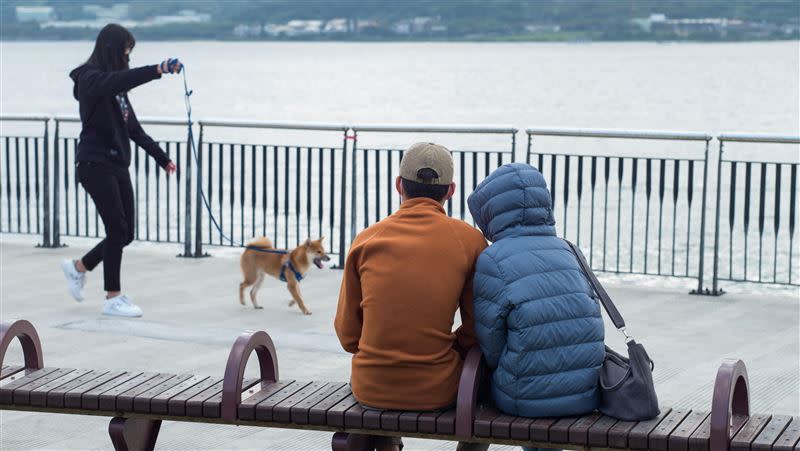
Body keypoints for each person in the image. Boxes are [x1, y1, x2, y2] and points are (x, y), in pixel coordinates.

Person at [335, 142, 488, 451]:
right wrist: (453, 346)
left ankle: (389, 444)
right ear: (451, 190)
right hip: (438, 389)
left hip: (371, 387)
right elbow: (478, 331)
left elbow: (348, 336)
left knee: (379, 383)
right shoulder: (470, 241)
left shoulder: (366, 240)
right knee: (485, 388)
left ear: (398, 185)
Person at [467, 163, 606, 451]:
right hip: (586, 392)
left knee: (487, 387)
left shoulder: (493, 259)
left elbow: (491, 343)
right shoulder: (570, 250)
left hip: (524, 396)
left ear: (491, 213)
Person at [60, 24, 182, 317]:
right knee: (116, 230)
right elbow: (113, 81)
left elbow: (135, 131)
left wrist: (162, 158)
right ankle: (112, 297)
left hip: (117, 166)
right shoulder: (89, 80)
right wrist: (158, 68)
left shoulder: (120, 94)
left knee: (126, 234)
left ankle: (79, 267)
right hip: (94, 165)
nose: (128, 55)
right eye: (126, 49)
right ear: (113, 48)